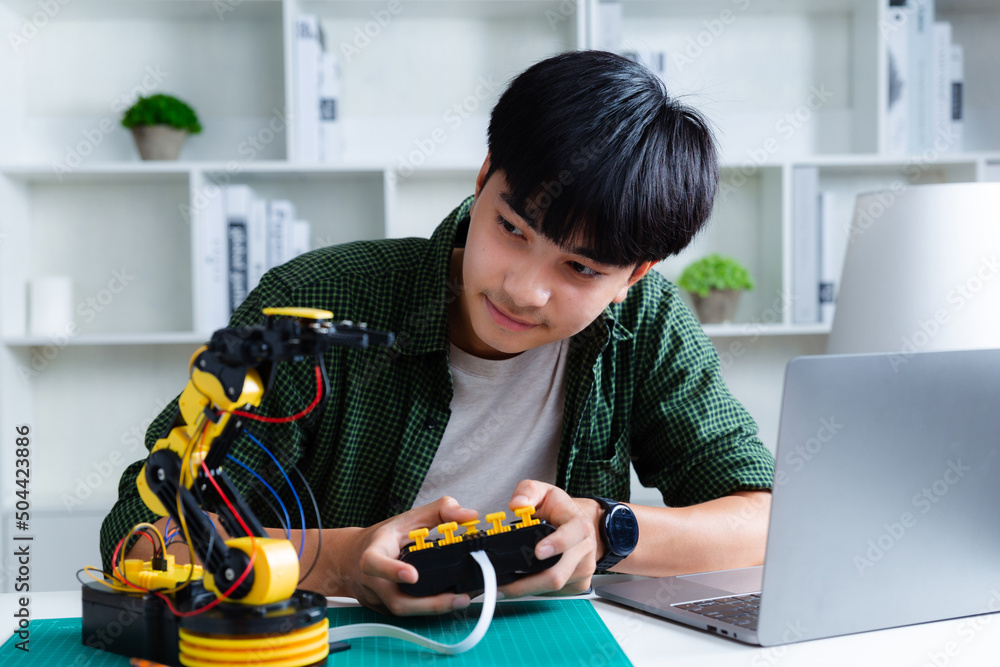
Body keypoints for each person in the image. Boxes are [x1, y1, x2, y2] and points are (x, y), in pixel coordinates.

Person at [100, 50, 775, 616]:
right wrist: (341, 562)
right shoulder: (314, 308)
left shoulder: (647, 319)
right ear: (484, 178)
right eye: (511, 229)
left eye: (579, 267)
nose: (522, 289)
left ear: (635, 275)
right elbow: (137, 536)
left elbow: (767, 519)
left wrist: (607, 531)